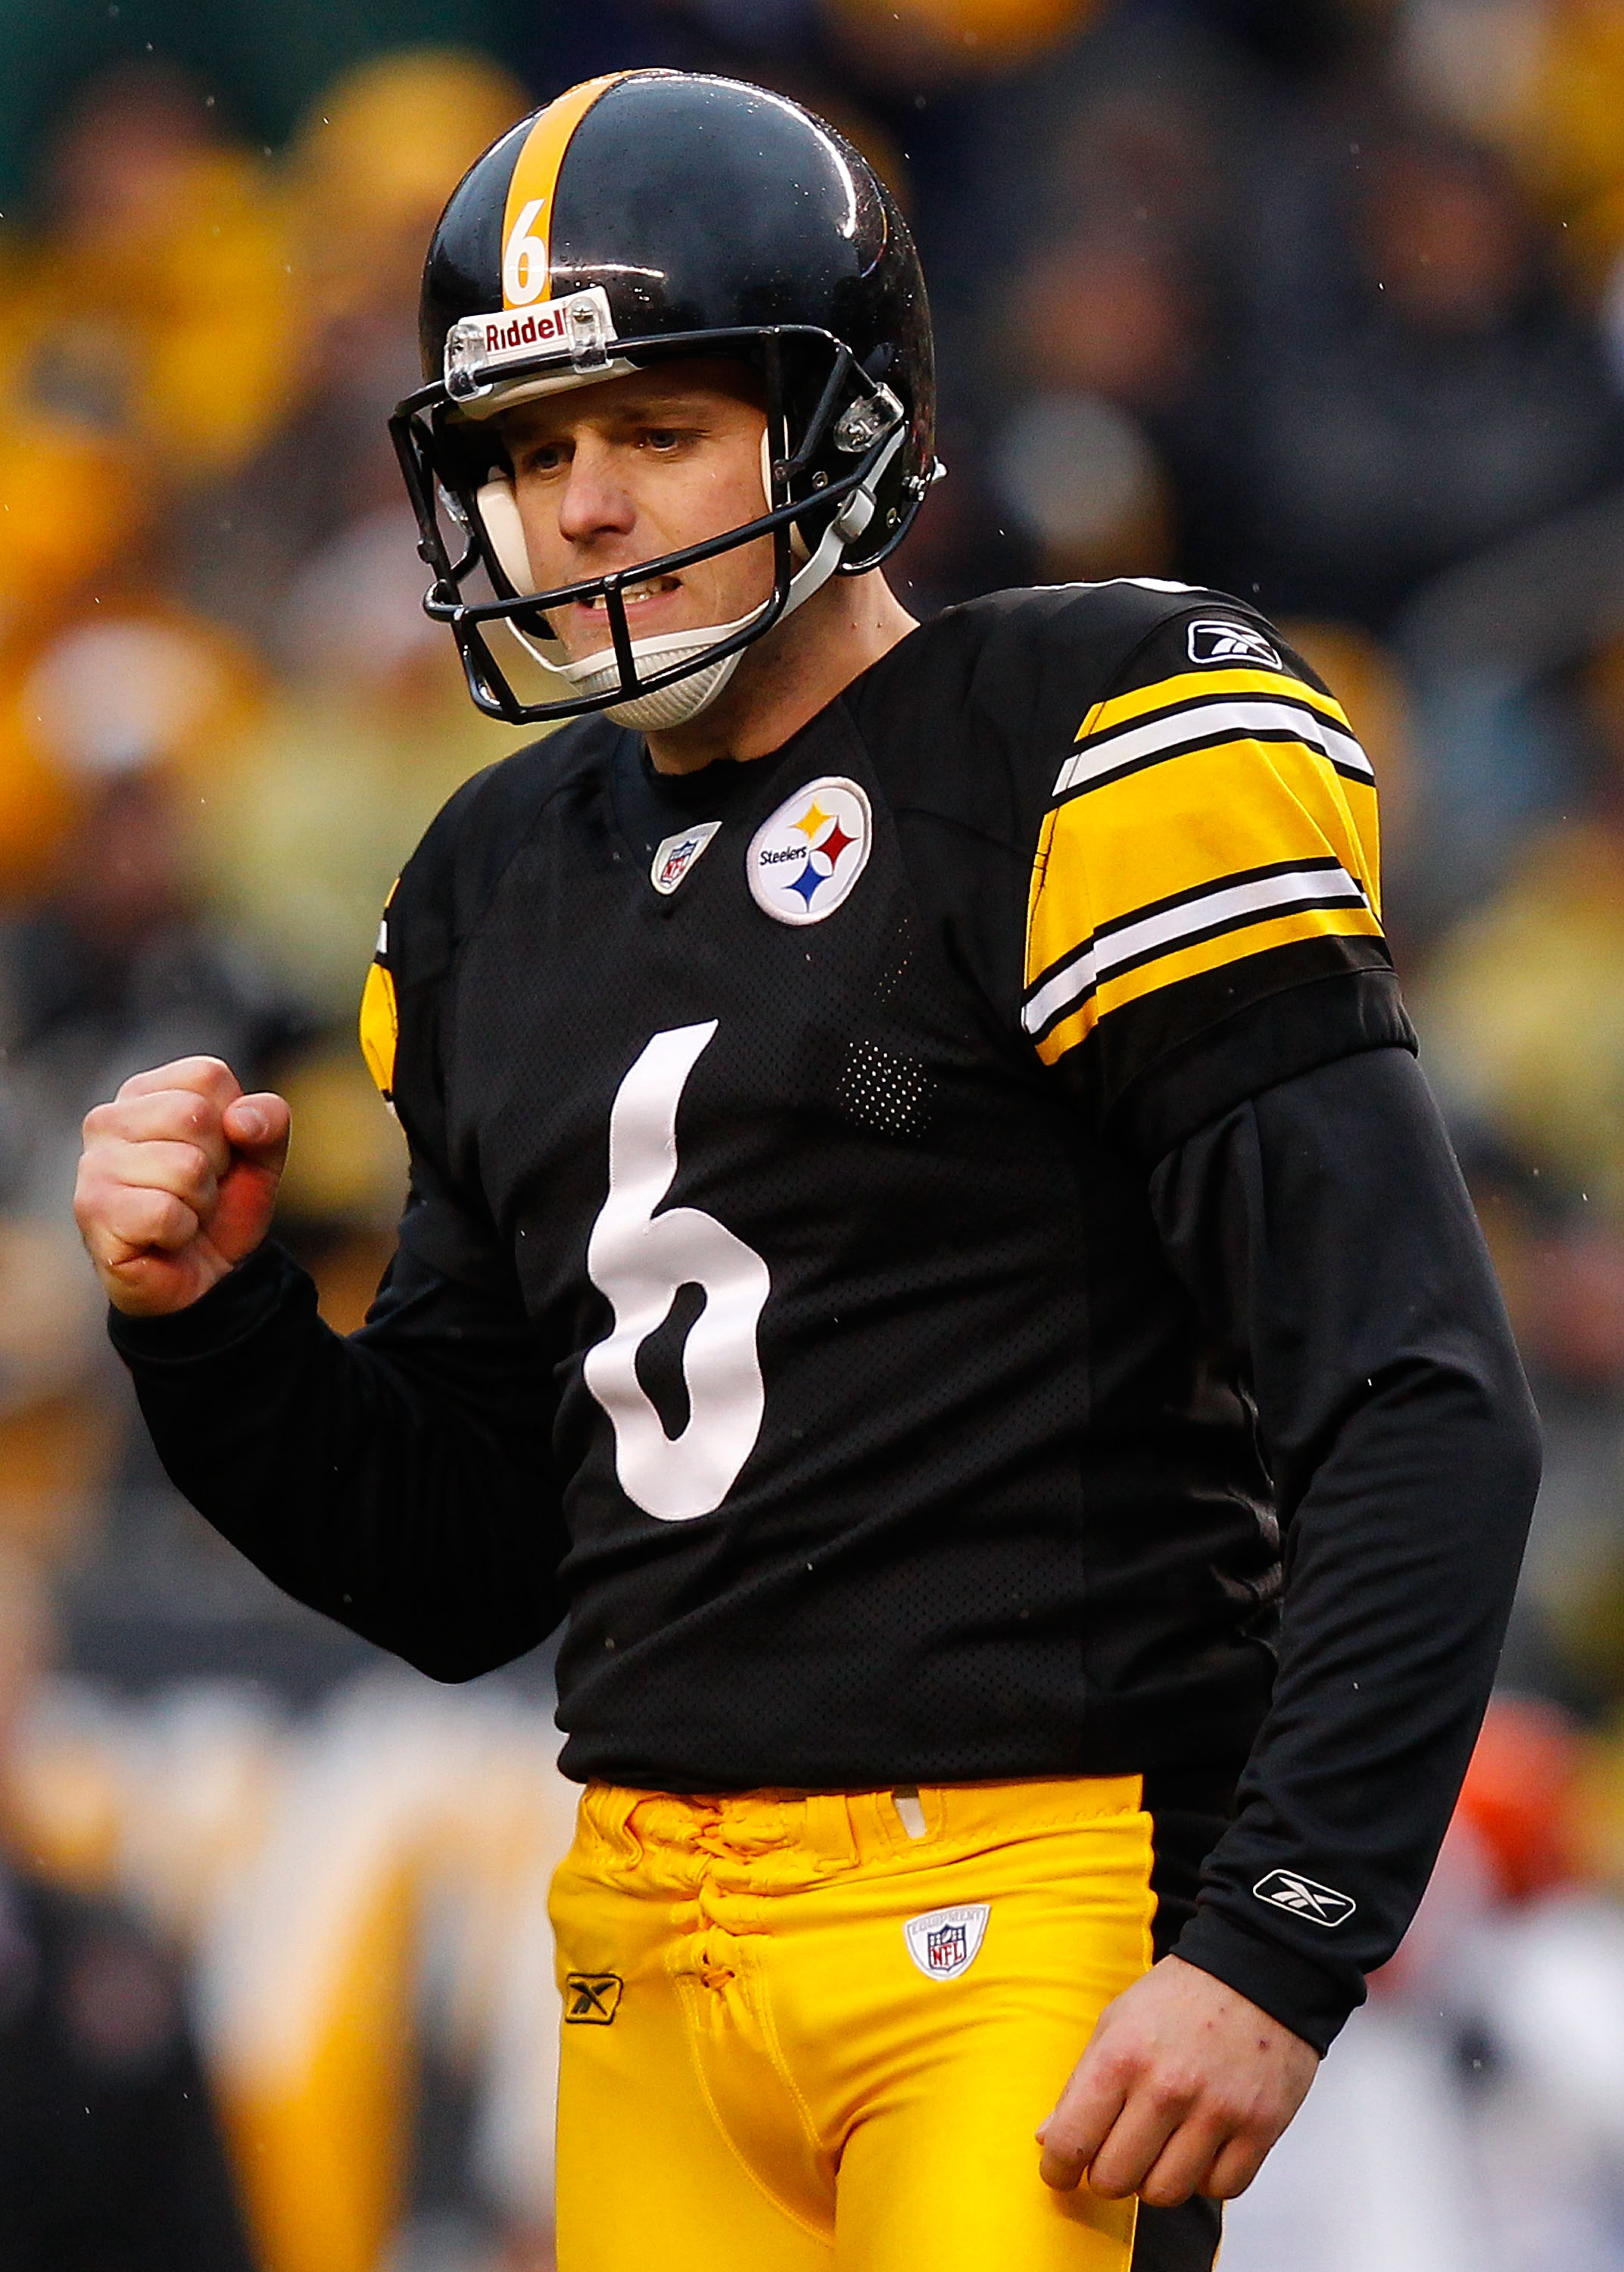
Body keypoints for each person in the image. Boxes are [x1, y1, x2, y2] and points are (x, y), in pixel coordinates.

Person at [73, 70, 1540, 2272]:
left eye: (654, 431)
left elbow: (1415, 1397)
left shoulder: (1072, 739)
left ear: (839, 422)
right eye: (530, 449)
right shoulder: (491, 884)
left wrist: (1275, 1936)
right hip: (640, 1936)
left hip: (1017, 1897)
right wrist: (216, 1330)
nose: (580, 508)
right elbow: (472, 1563)